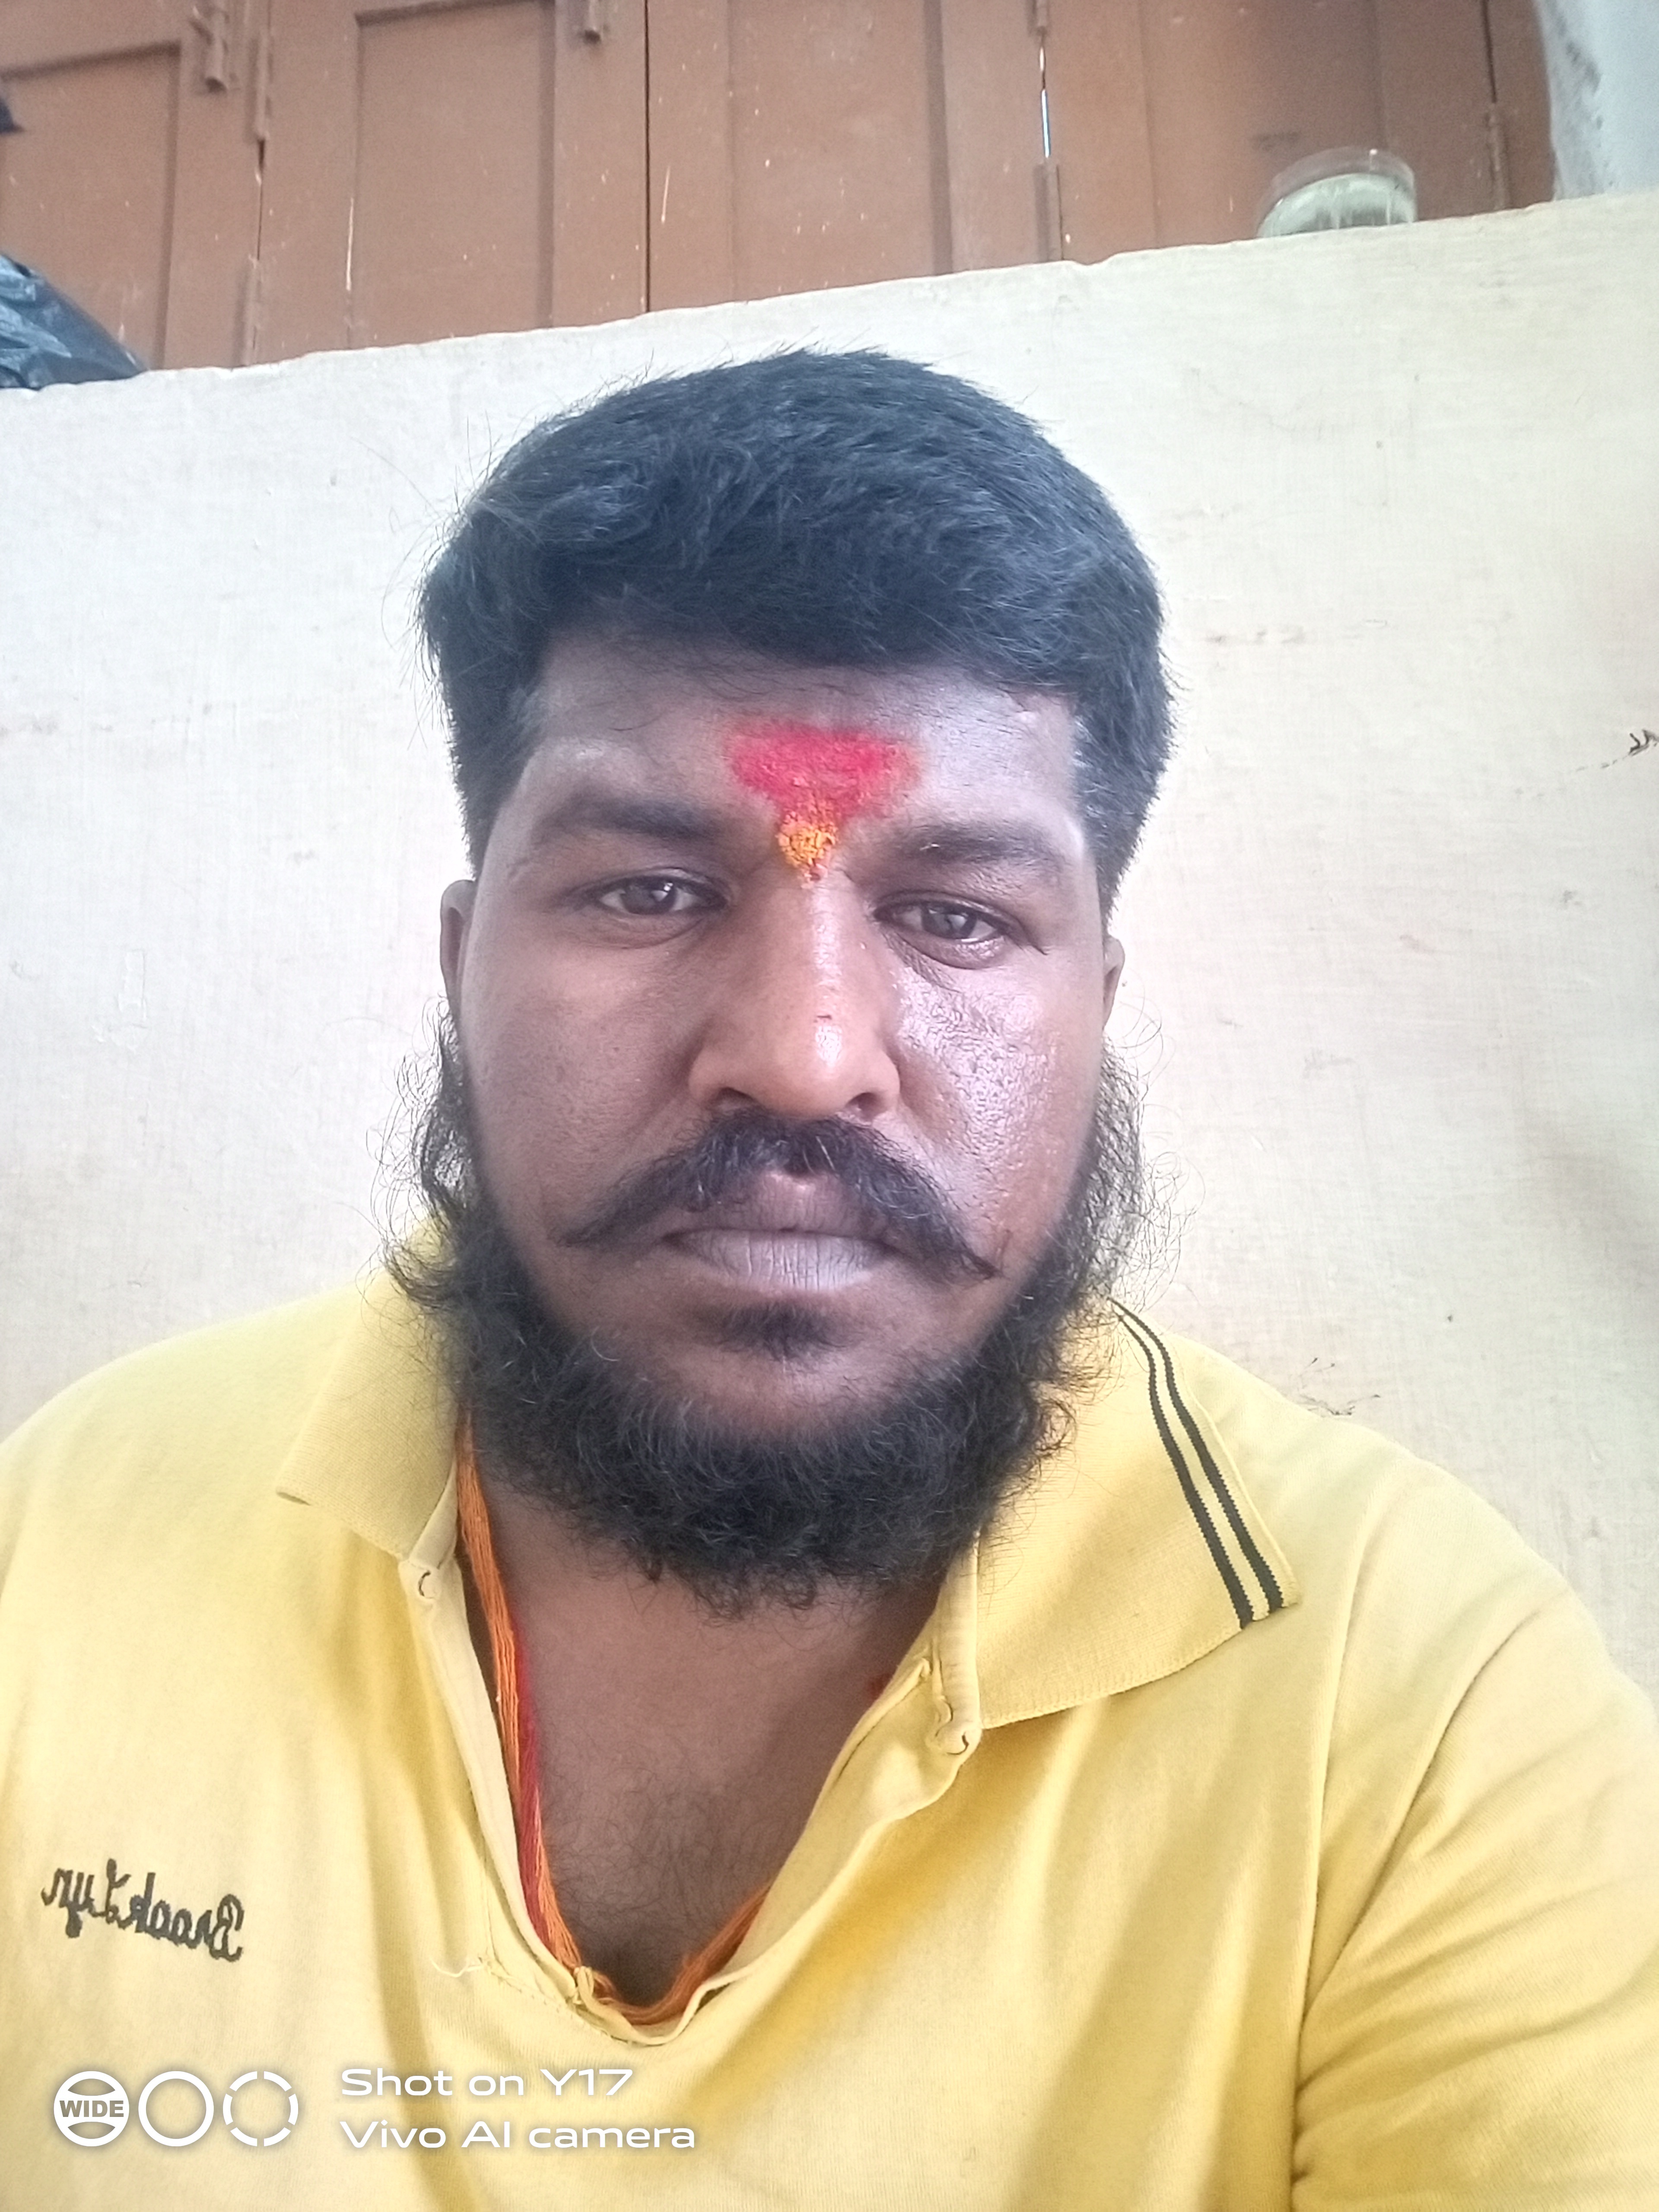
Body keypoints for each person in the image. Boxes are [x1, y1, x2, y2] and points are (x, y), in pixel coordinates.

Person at [1, 350, 1655, 2209]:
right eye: (646, 889)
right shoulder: (61, 1535)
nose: (803, 1056)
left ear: (1099, 1006)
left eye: (955, 916)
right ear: (462, 967)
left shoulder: (1416, 1703)